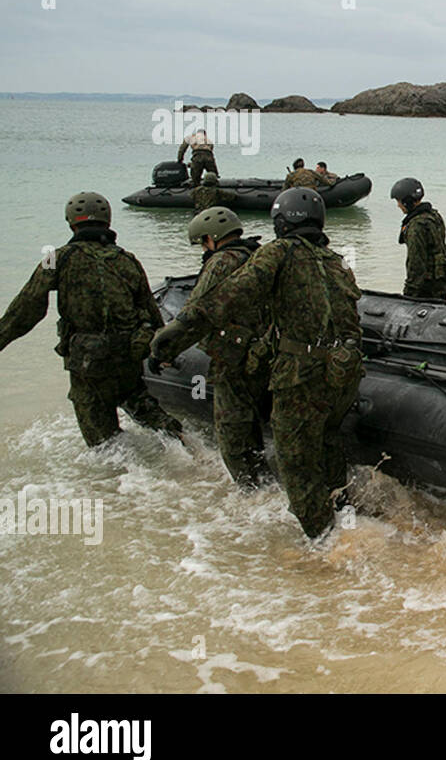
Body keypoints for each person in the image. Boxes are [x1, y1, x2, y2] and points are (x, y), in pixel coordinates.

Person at [151, 188, 364, 539]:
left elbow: (226, 298)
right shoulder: (336, 261)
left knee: (296, 462)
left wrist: (170, 338)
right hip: (344, 370)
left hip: (302, 372)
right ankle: (344, 510)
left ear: (281, 221)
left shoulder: (278, 252)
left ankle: (323, 540)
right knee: (327, 441)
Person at [0, 192, 183, 446]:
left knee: (103, 444)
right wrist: (162, 354)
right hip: (128, 356)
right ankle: (188, 447)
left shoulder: (58, 257)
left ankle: (112, 482)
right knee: (144, 407)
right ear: (107, 221)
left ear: (71, 222)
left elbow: (27, 309)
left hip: (88, 363)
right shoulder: (127, 260)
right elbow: (152, 314)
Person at [162, 207, 272, 488]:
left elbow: (196, 314)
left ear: (212, 238)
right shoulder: (259, 256)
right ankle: (265, 479)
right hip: (266, 356)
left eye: (202, 242)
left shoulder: (221, 263)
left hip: (235, 361)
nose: (202, 248)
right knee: (253, 427)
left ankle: (251, 493)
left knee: (232, 435)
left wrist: (163, 350)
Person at [391, 177, 446, 299]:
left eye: (399, 201)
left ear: (407, 201)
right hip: (442, 281)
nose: (398, 205)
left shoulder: (416, 226)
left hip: (427, 286)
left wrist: (409, 293)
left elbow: (416, 264)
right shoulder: (434, 215)